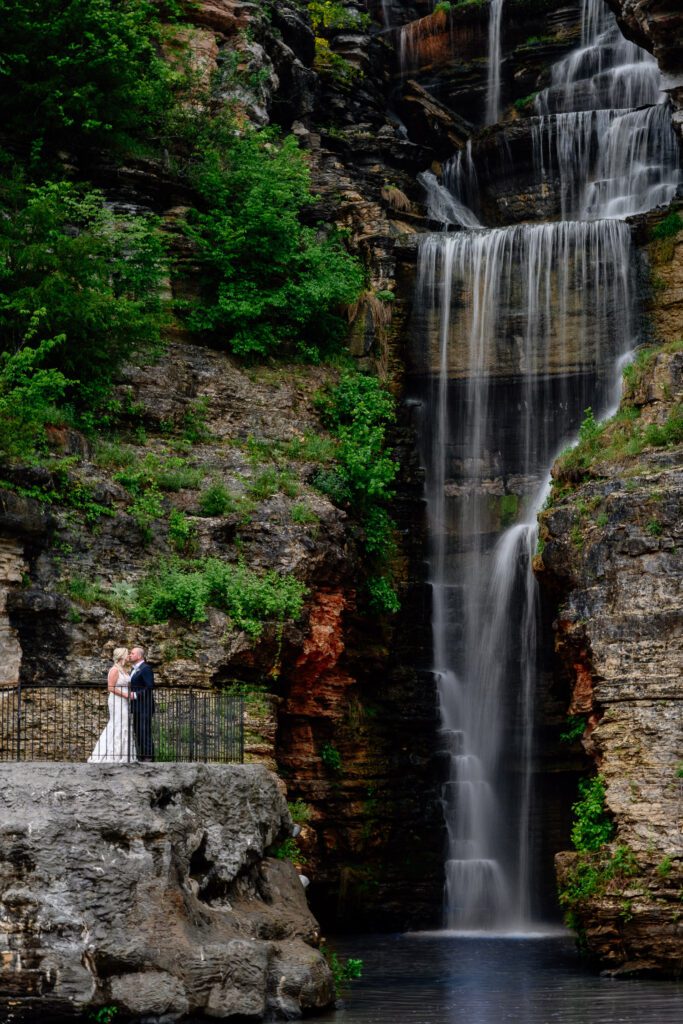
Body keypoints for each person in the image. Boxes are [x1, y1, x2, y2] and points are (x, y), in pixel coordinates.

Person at [88, 647, 136, 763]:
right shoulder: (114, 670)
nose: (128, 656)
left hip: (124, 701)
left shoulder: (124, 669)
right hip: (117, 700)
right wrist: (126, 695)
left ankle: (124, 755)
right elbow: (111, 688)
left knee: (124, 724)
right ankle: (112, 755)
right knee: (117, 724)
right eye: (127, 654)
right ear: (122, 656)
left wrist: (130, 693)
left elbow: (126, 685)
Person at [129, 645, 155, 762]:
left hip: (145, 706)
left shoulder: (146, 668)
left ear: (139, 656)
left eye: (132, 653)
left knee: (145, 731)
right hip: (137, 707)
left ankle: (148, 757)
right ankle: (142, 755)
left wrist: (135, 695)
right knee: (138, 731)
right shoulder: (133, 669)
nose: (130, 655)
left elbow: (149, 686)